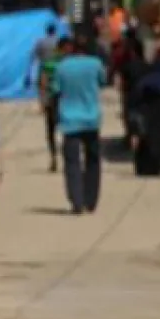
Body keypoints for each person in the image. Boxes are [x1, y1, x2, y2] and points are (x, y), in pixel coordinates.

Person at [51, 35, 107, 214]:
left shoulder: (62, 67)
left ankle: (76, 200)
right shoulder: (96, 64)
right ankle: (91, 200)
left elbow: (56, 90)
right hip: (91, 119)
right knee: (93, 161)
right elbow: (102, 82)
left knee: (72, 163)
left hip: (69, 120)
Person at [32, 23, 62, 172]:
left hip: (45, 75)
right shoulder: (59, 43)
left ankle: (53, 155)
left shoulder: (41, 42)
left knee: (49, 127)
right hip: (58, 76)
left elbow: (33, 57)